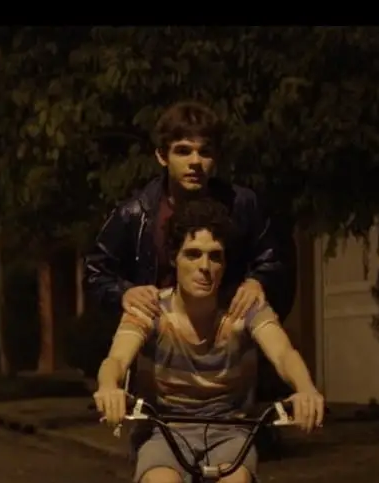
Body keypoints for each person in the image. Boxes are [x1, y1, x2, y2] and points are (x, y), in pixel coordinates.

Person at [92, 198, 325, 483]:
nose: (205, 267)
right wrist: (109, 388)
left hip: (230, 427)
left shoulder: (245, 308)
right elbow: (116, 359)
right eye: (193, 254)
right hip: (166, 425)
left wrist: (306, 389)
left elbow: (283, 352)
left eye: (215, 256)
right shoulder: (151, 309)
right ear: (174, 259)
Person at [83, 100, 294, 331]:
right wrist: (124, 293)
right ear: (162, 156)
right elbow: (95, 273)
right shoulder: (134, 213)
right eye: (183, 151)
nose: (195, 162)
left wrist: (258, 282)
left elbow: (276, 259)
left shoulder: (242, 204)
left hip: (227, 337)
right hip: (158, 339)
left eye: (205, 152)